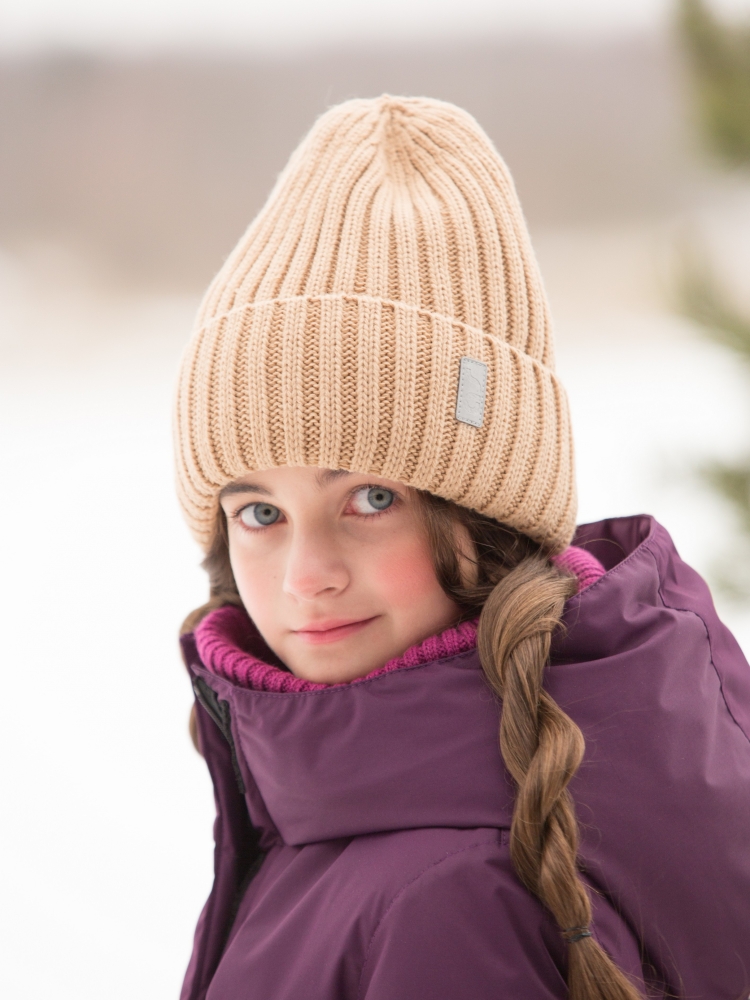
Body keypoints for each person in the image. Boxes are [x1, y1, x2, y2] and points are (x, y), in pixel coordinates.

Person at [173, 96, 750, 1000]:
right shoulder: (341, 819)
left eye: (370, 498)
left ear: (487, 519)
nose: (306, 576)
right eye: (258, 512)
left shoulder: (452, 898)